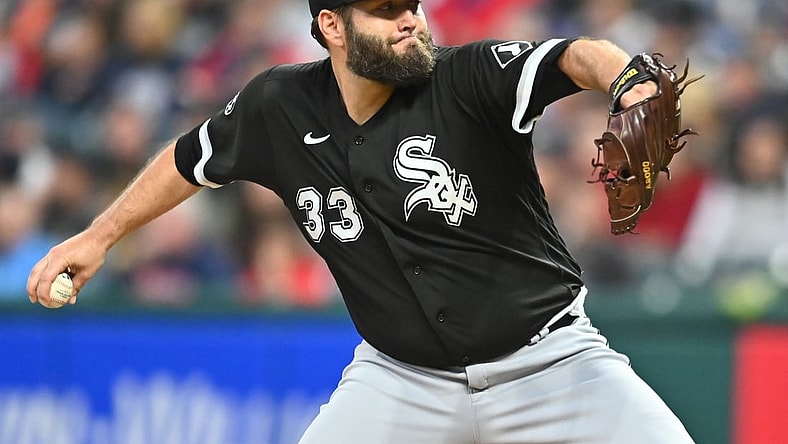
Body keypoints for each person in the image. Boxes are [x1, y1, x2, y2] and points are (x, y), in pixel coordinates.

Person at [27, 0, 695, 442]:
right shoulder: (278, 106)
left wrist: (629, 79)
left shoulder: (467, 77)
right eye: (383, 10)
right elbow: (188, 159)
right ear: (332, 26)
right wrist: (98, 236)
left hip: (549, 364)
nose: (408, 19)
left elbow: (572, 56)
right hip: (402, 382)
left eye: (410, 4)